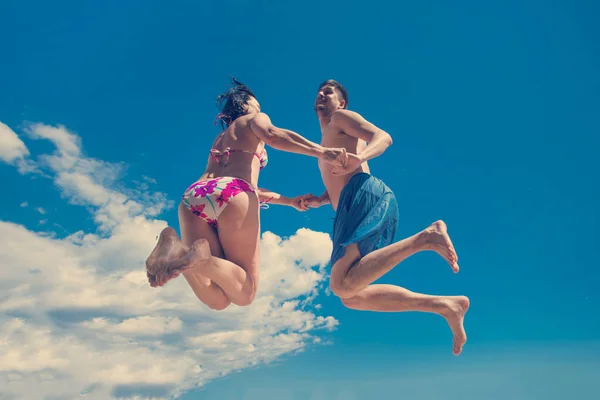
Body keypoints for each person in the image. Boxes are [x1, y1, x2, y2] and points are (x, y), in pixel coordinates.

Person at [145, 78, 347, 311]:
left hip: (194, 196)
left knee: (218, 300)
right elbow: (272, 135)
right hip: (233, 191)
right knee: (245, 293)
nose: (260, 110)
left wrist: (289, 201)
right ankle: (203, 259)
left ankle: (177, 248)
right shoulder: (254, 120)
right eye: (257, 105)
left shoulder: (221, 139)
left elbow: (233, 186)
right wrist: (322, 152)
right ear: (244, 104)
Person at [303, 79, 470, 355]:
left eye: (328, 92)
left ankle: (426, 238)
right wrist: (320, 199)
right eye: (319, 92)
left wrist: (361, 157)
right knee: (351, 295)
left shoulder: (341, 118)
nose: (321, 95)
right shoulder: (327, 140)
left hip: (363, 194)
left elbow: (382, 137)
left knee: (340, 284)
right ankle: (444, 305)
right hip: (354, 202)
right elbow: (339, 179)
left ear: (341, 102)